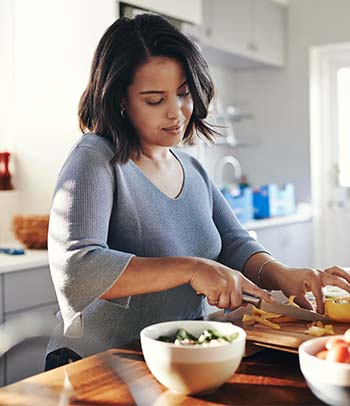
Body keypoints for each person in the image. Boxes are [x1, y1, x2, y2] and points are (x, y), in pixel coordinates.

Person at [45, 13, 350, 370]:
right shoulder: (94, 157)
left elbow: (235, 244)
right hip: (98, 362)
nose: (177, 113)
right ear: (120, 100)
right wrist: (191, 269)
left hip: (173, 357)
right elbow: (76, 268)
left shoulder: (191, 167)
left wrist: (283, 274)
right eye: (155, 100)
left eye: (184, 93)